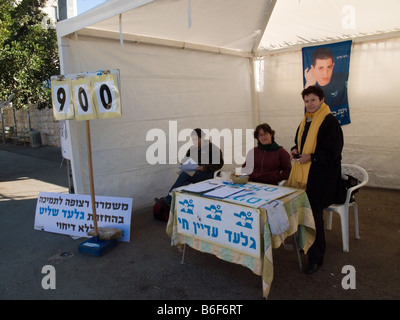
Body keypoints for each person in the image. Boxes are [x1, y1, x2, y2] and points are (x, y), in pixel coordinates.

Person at [287, 85, 343, 275]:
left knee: (313, 216)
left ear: (322, 99)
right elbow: (299, 143)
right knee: (302, 211)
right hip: (306, 175)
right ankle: (305, 244)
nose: (309, 104)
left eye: (313, 100)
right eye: (306, 101)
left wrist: (311, 157)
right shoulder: (305, 121)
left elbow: (333, 153)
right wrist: (295, 150)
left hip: (322, 179)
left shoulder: (329, 122)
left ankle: (316, 257)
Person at [155, 128, 224, 208]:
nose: (194, 142)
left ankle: (167, 199)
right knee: (184, 182)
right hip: (195, 173)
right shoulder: (192, 149)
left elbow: (219, 163)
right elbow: (185, 159)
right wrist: (184, 165)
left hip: (207, 173)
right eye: (193, 140)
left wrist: (204, 167)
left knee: (184, 176)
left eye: (196, 140)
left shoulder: (212, 148)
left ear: (203, 137)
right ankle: (174, 203)